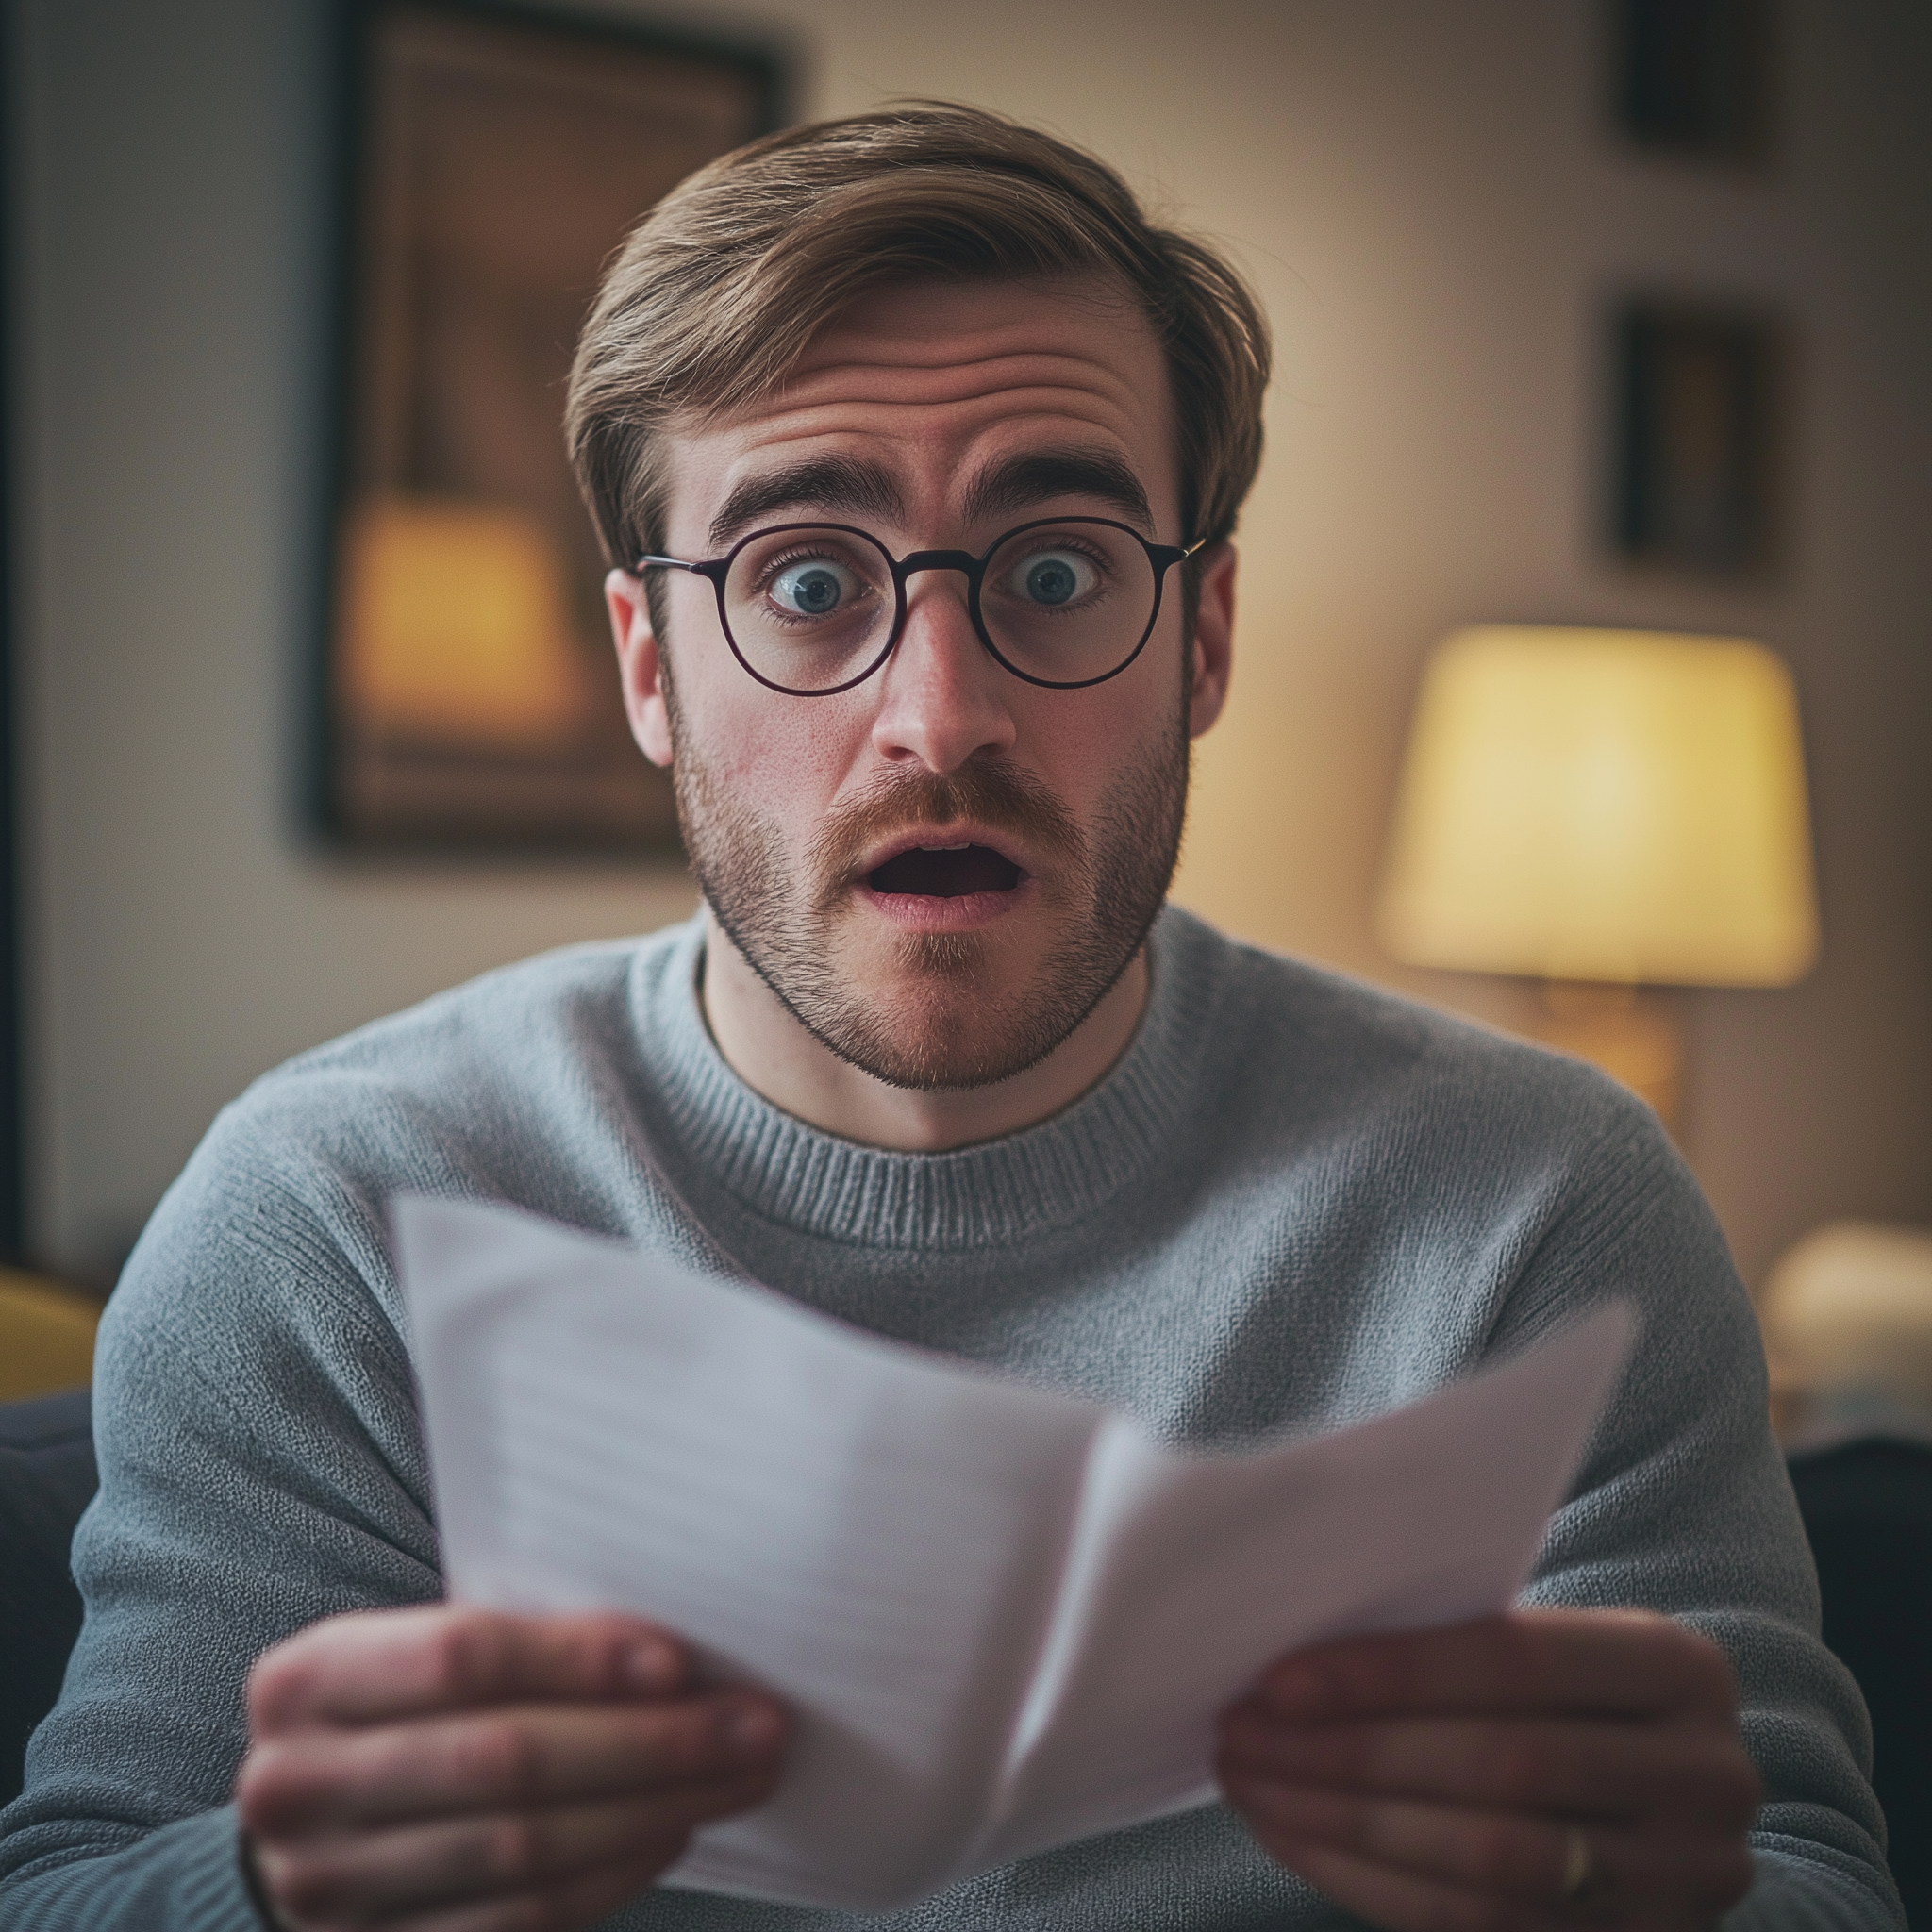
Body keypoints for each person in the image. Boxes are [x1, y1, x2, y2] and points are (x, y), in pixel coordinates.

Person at [0, 105, 1901, 1932]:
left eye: (1057, 571)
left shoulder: (1541, 1209)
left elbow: (1811, 1886)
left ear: (1203, 638)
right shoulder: (336, 1213)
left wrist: (1643, 1899)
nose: (941, 713)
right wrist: (271, 1888)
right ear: (650, 666)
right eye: (806, 581)